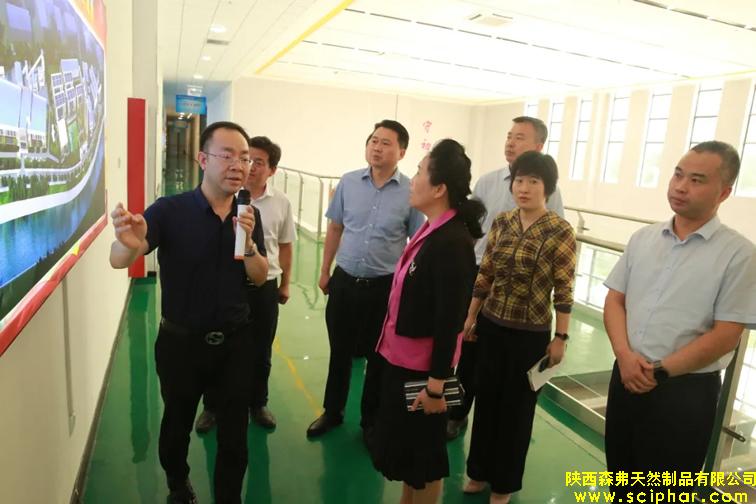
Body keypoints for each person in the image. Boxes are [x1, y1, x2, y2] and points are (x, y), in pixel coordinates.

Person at [109, 121, 268, 504]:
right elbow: (119, 259)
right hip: (181, 344)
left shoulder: (249, 214)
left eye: (244, 157)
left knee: (235, 435)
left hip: (235, 343)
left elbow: (260, 276)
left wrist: (248, 243)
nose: (238, 165)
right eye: (227, 155)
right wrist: (127, 242)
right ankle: (178, 485)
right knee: (177, 423)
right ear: (202, 159)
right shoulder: (170, 210)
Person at [603, 141, 756, 500]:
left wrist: (658, 371)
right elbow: (615, 300)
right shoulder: (643, 239)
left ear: (724, 192)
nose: (681, 186)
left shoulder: (739, 254)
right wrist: (624, 356)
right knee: (621, 479)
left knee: (667, 491)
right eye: (677, 175)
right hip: (626, 375)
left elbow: (726, 335)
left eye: (696, 180)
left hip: (684, 393)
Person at [370, 138, 483, 504]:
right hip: (402, 361)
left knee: (423, 460)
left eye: (419, 172)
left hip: (423, 373)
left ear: (439, 189)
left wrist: (437, 387)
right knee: (409, 457)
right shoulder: (431, 229)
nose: (413, 179)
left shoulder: (453, 242)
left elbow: (450, 321)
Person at [463, 151, 576, 504]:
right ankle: (478, 471)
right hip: (492, 325)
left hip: (530, 336)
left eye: (533, 181)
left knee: (517, 411)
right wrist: (471, 316)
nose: (523, 188)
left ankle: (504, 483)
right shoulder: (502, 222)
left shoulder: (560, 230)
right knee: (486, 401)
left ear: (548, 188)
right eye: (519, 180)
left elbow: (564, 288)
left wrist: (561, 337)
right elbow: (486, 273)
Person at [447, 116, 565, 440]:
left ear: (538, 146)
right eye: (509, 136)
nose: (510, 142)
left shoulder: (551, 192)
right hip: (479, 274)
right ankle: (457, 413)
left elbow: (556, 245)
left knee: (501, 364)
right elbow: (470, 228)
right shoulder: (487, 181)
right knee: (467, 351)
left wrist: (562, 334)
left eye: (520, 137)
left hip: (520, 287)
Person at [307, 120, 425, 438]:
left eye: (386, 143)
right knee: (339, 352)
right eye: (374, 140)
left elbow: (416, 243)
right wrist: (325, 270)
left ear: (402, 152)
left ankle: (369, 421)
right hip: (345, 281)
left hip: (383, 288)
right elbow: (335, 227)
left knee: (377, 357)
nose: (377, 147)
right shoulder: (348, 182)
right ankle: (332, 412)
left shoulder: (410, 191)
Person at [195, 136, 296, 432]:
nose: (249, 167)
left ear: (272, 170)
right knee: (217, 348)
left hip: (264, 286)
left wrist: (286, 283)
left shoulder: (281, 203)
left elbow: (286, 246)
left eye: (258, 162)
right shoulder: (225, 195)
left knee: (261, 351)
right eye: (247, 159)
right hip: (229, 287)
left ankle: (258, 403)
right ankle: (212, 406)